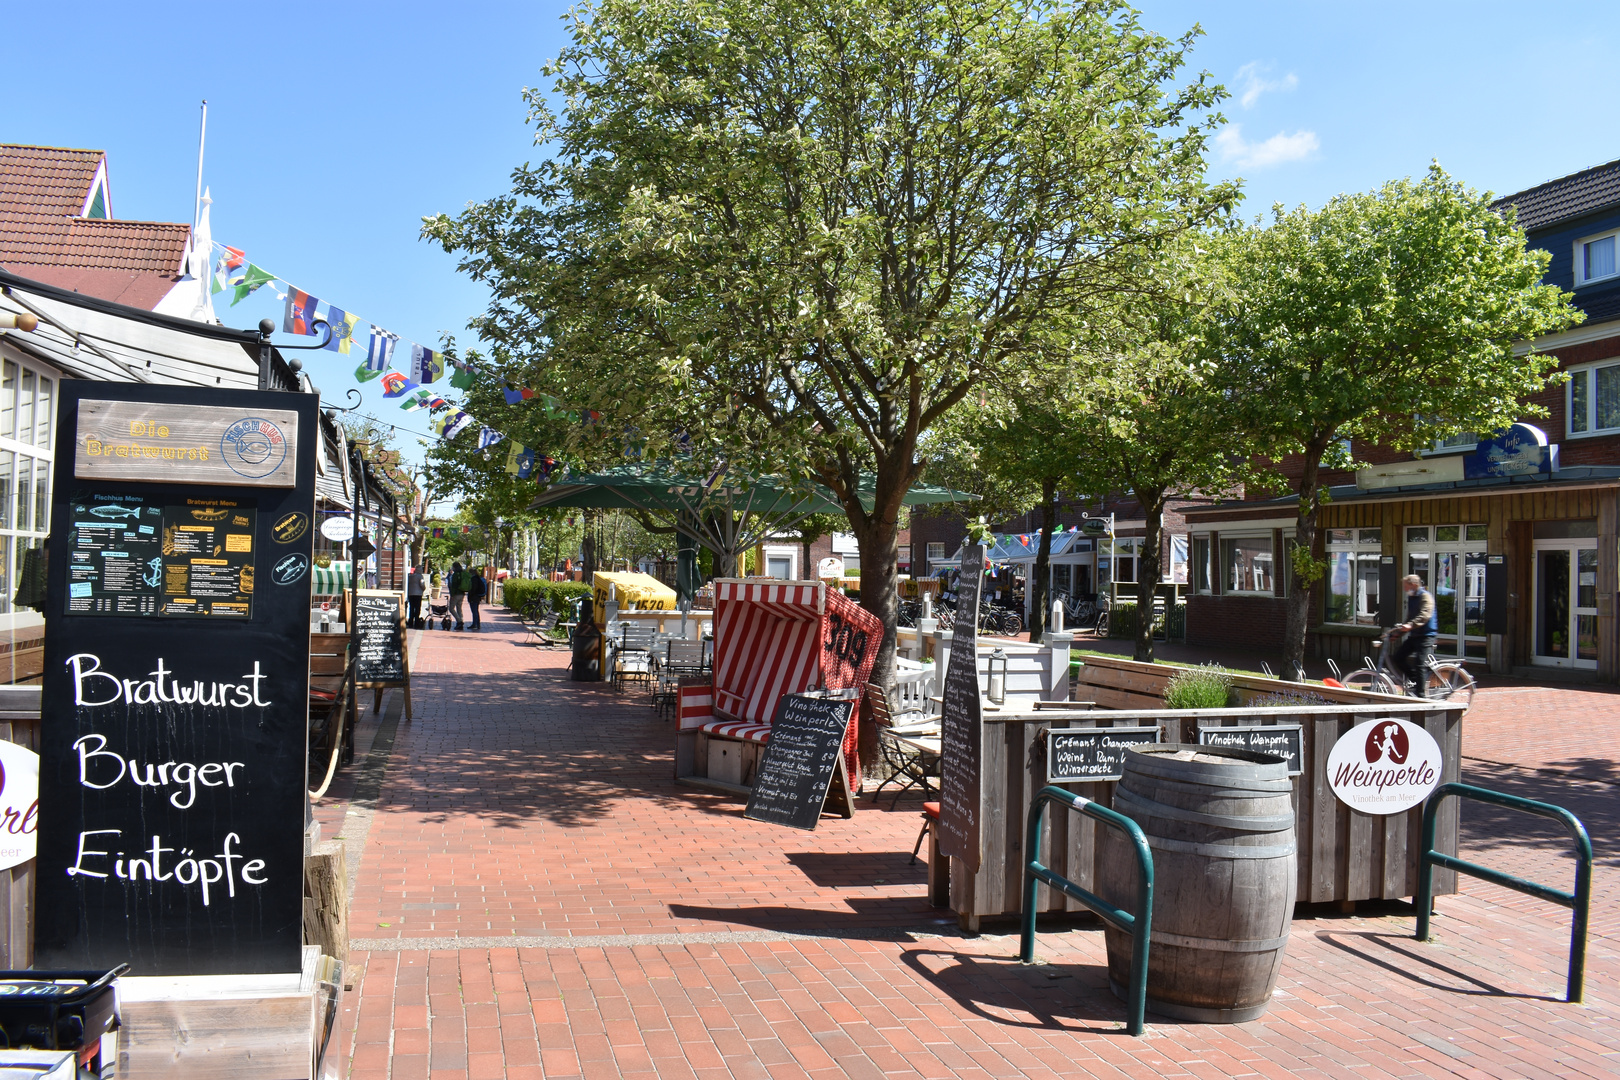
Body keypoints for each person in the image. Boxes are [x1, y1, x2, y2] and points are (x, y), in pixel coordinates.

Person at [1393, 573, 1437, 697]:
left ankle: (1421, 695)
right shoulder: (1412, 597)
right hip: (1414, 635)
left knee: (1420, 663)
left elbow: (1425, 615)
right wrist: (1397, 634)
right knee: (1398, 657)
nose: (1404, 589)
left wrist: (1411, 625)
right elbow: (1409, 618)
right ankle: (1417, 681)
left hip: (1426, 635)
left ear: (1414, 585)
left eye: (1406, 586)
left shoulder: (1425, 597)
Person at [448, 561, 470, 631]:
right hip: (462, 593)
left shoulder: (455, 575)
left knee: (451, 608)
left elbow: (453, 585)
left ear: (454, 567)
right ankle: (461, 620)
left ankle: (459, 621)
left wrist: (452, 594)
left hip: (456, 593)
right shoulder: (463, 573)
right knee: (459, 608)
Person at [467, 565, 487, 631]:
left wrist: (470, 595)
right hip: (477, 597)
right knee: (476, 611)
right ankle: (477, 624)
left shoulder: (474, 579)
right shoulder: (478, 578)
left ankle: (475, 624)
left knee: (474, 611)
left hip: (474, 597)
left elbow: (473, 589)